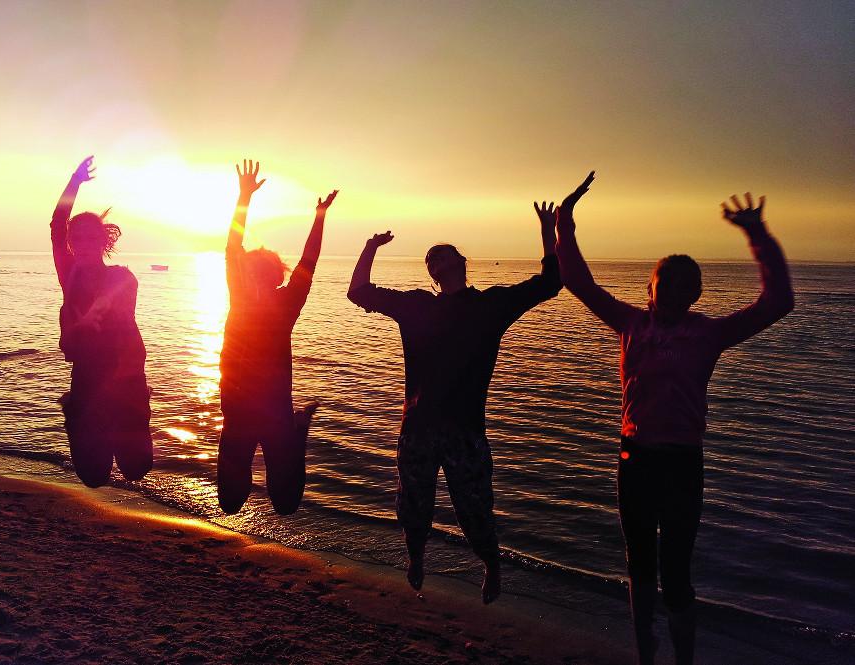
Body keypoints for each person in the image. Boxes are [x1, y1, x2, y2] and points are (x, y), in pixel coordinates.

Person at [554, 172, 794, 665]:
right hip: (634, 459)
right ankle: (646, 652)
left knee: (677, 570)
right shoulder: (630, 324)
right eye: (666, 284)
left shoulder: (707, 334)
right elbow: (577, 280)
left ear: (695, 295)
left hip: (683, 465)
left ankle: (683, 658)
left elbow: (778, 303)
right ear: (651, 288)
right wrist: (565, 221)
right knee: (639, 566)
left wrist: (758, 235)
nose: (673, 293)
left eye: (685, 287)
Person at [346, 206, 562, 604]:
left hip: (465, 431)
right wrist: (369, 247)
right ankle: (416, 558)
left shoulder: (491, 306)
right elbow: (358, 291)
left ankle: (491, 565)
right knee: (413, 506)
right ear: (430, 274)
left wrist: (549, 230)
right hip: (419, 428)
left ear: (462, 261)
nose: (436, 260)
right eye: (430, 259)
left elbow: (551, 282)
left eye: (443, 253)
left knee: (475, 510)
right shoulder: (416, 306)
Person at [217, 159, 337, 516]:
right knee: (229, 502)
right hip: (237, 412)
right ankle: (297, 431)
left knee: (286, 504)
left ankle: (299, 433)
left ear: (276, 275)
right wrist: (243, 197)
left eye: (264, 271)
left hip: (276, 414)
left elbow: (309, 260)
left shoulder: (287, 303)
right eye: (251, 270)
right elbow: (232, 246)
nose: (255, 275)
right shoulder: (238, 296)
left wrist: (319, 216)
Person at [51, 156, 153, 487]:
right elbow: (57, 223)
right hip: (88, 377)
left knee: (137, 468)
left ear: (102, 241)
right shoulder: (69, 274)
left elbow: (122, 306)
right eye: (76, 238)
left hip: (127, 377)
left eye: (90, 238)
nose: (82, 244)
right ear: (70, 243)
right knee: (93, 476)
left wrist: (99, 312)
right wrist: (74, 181)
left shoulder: (122, 277)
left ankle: (125, 415)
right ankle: (76, 414)